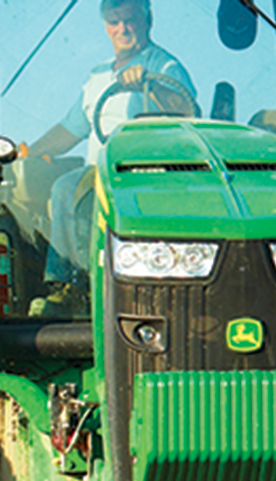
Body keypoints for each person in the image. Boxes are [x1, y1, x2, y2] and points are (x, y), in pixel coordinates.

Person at [25, 0, 197, 284]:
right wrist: (28, 152)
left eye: (130, 20)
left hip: (145, 173)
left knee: (67, 188)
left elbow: (187, 111)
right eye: (114, 21)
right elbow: (69, 130)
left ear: (147, 21)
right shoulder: (98, 76)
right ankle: (69, 283)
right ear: (105, 26)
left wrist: (149, 85)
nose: (123, 28)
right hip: (101, 173)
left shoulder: (163, 66)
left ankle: (66, 283)